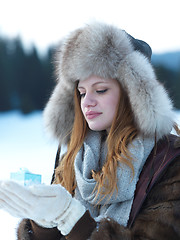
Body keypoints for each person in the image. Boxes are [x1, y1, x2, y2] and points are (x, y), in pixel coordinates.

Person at [0, 21, 180, 240]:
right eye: (82, 92)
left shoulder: (169, 161)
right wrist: (42, 224)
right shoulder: (74, 158)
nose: (87, 102)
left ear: (133, 94)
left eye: (101, 90)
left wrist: (73, 221)